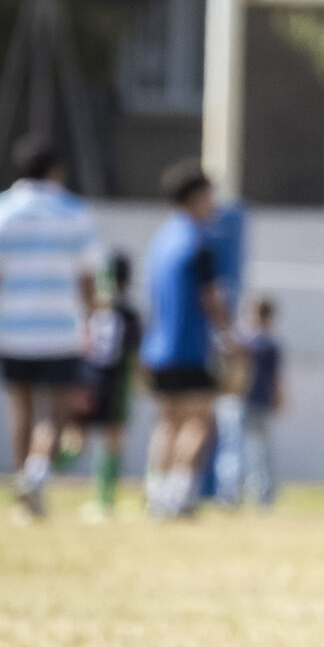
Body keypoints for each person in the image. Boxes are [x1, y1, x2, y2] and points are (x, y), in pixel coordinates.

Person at [0, 137, 102, 519]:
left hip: (11, 328)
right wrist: (92, 320)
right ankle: (37, 475)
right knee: (57, 413)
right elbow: (89, 281)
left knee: (21, 409)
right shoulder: (74, 213)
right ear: (55, 171)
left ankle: (23, 487)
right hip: (61, 329)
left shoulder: (3, 211)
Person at [140, 160, 232, 520]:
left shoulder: (161, 239)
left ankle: (156, 493)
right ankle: (177, 497)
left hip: (157, 347)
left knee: (168, 422)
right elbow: (211, 300)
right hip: (189, 347)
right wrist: (230, 336)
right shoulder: (198, 242)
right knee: (199, 422)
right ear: (197, 196)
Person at [73, 251, 140, 518]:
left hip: (90, 381)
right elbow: (134, 351)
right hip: (115, 384)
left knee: (80, 434)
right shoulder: (128, 314)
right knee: (111, 438)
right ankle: (105, 498)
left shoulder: (93, 310)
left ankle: (40, 473)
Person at [235, 295, 284, 508]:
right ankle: (262, 495)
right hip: (257, 401)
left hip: (248, 401)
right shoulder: (269, 344)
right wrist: (278, 397)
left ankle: (246, 493)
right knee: (260, 451)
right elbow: (276, 378)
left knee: (248, 450)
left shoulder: (250, 343)